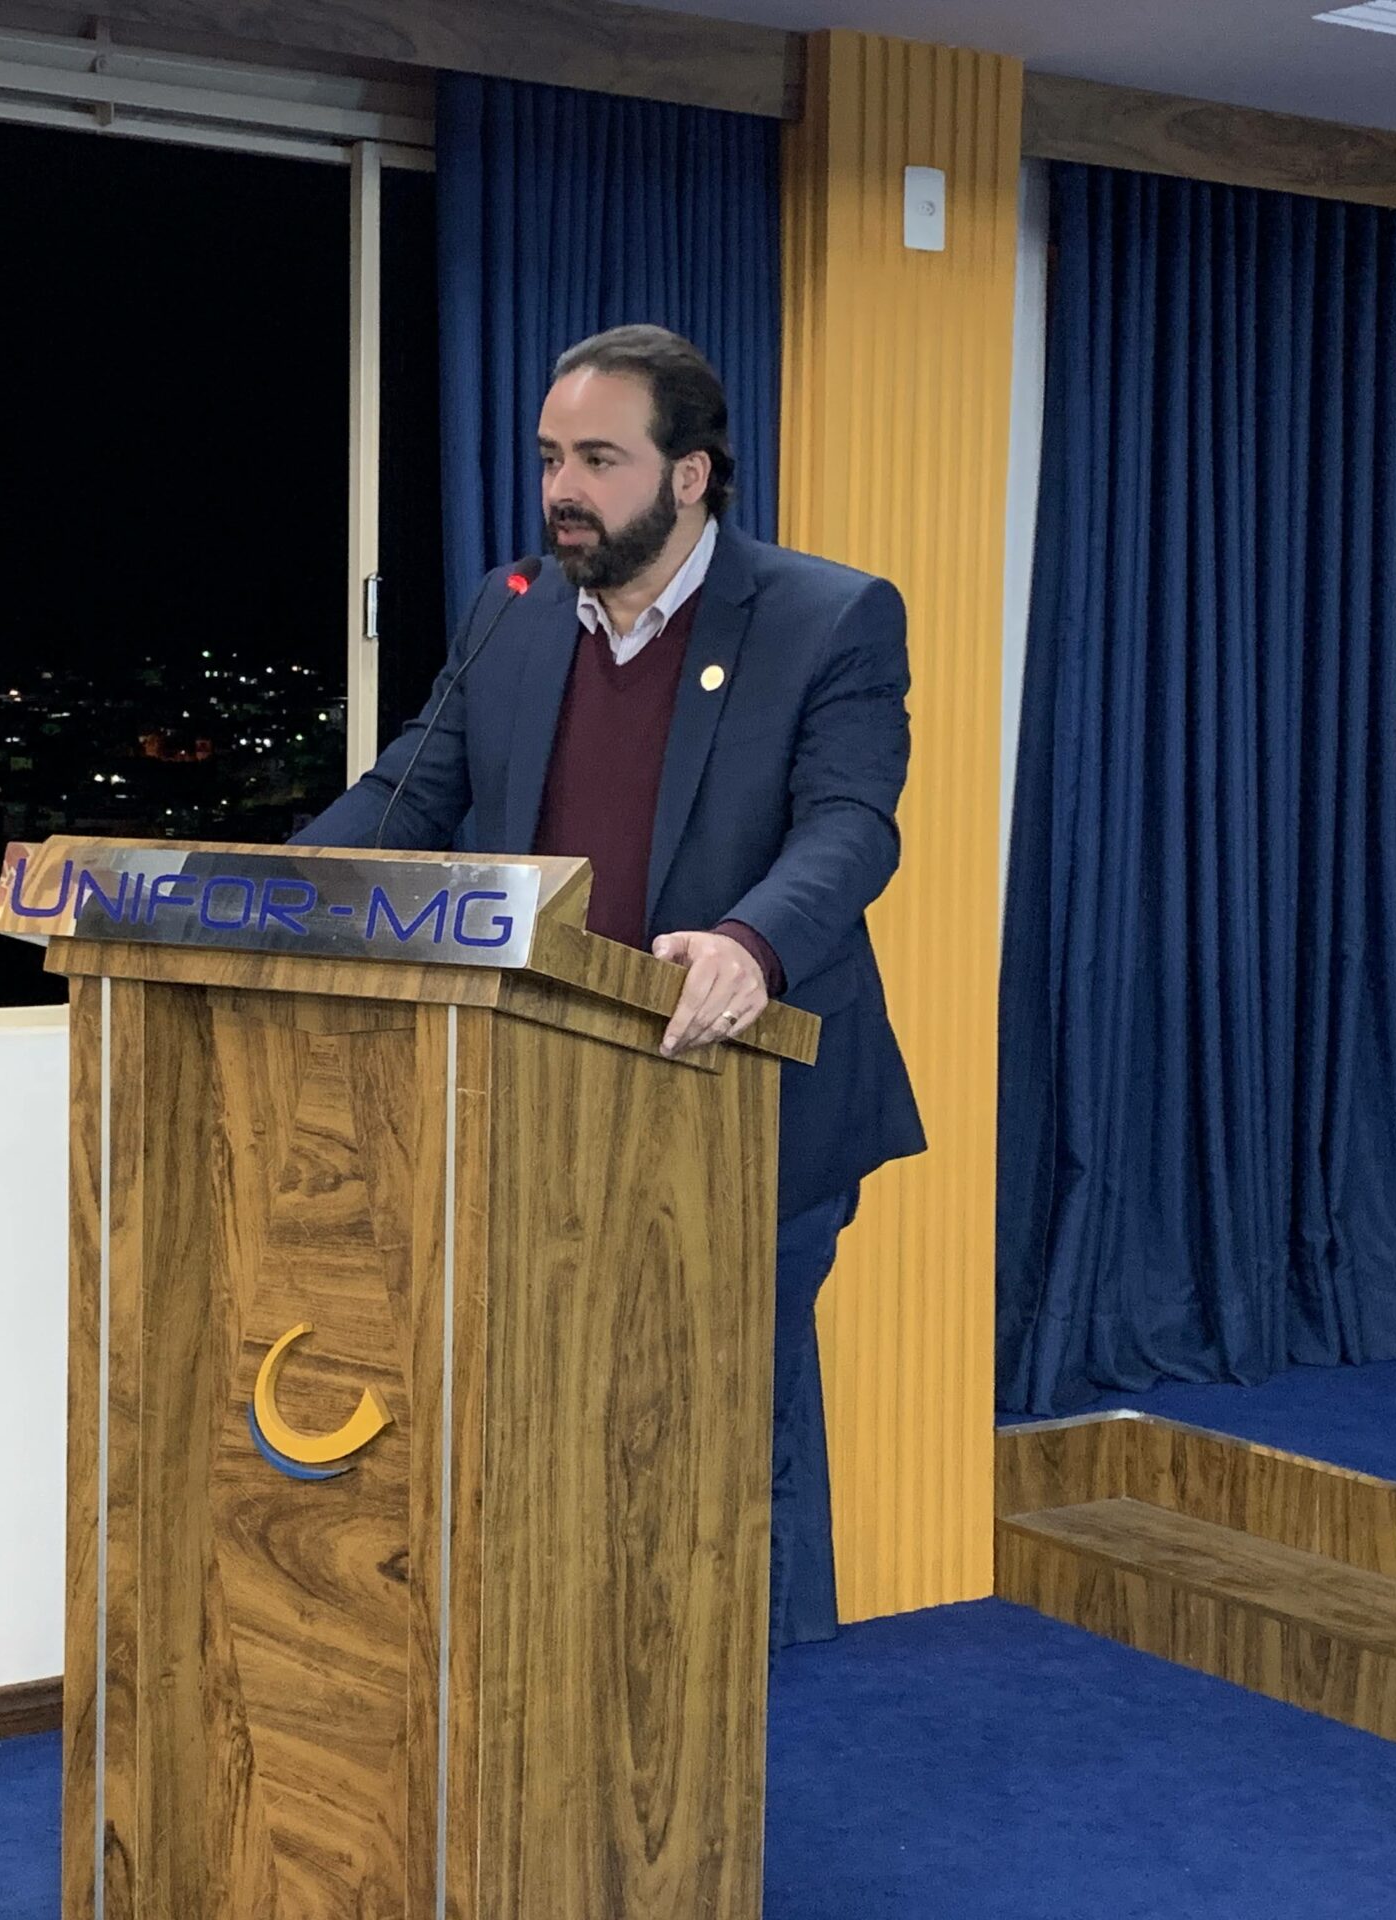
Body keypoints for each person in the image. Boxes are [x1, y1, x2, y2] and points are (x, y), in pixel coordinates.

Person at [294, 323, 924, 1649]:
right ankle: (589, 1704)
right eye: (547, 459)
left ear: (691, 475)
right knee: (568, 1426)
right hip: (543, 1100)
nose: (560, 490)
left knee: (731, 1442)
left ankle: (770, 1715)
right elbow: (411, 795)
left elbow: (852, 826)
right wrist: (263, 893)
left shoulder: (826, 617)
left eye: (597, 459)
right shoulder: (511, 610)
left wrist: (751, 942)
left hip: (743, 1105)